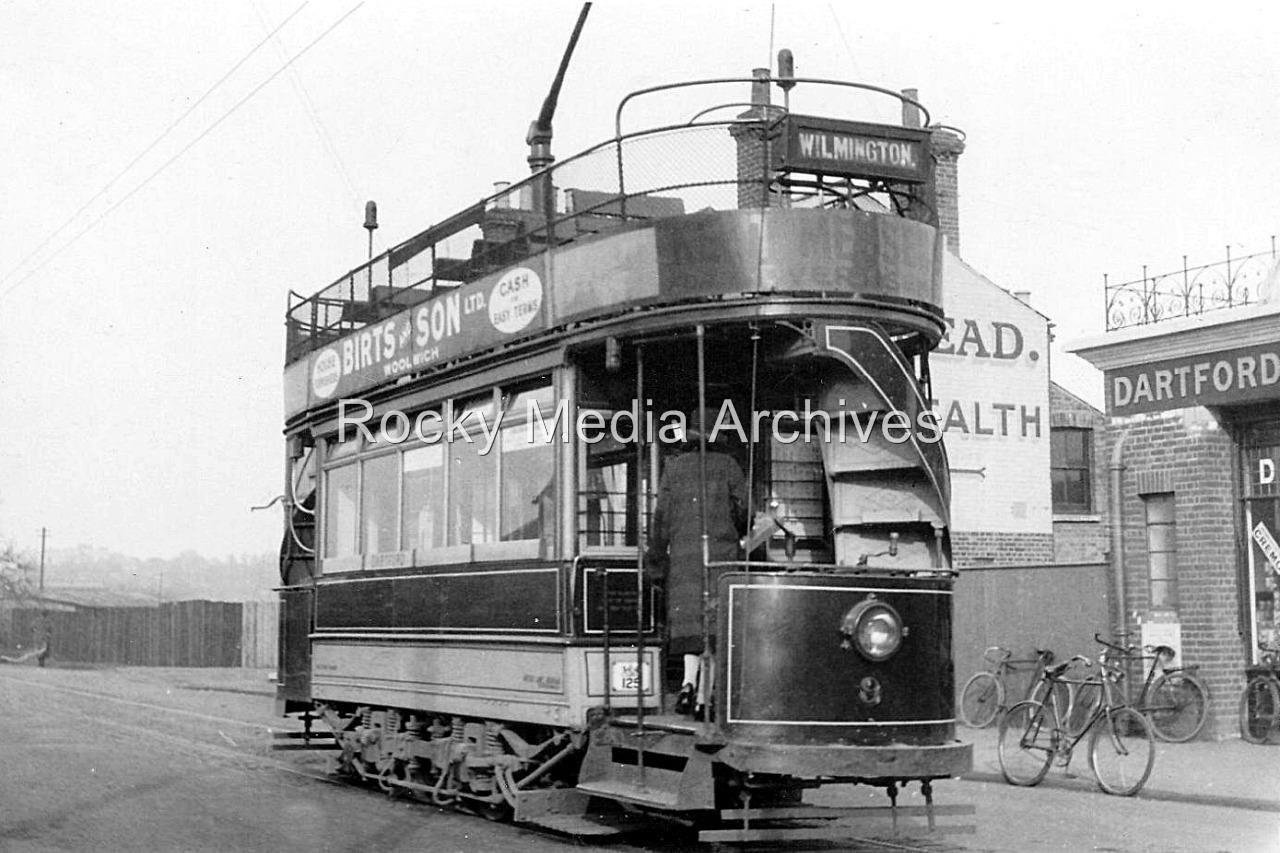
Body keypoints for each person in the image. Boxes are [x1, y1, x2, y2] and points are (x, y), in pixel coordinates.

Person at [647, 408, 747, 715]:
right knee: (714, 633)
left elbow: (660, 520)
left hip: (682, 563)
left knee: (690, 631)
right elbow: (744, 512)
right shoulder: (729, 465)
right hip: (720, 560)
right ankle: (705, 698)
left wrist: (655, 563)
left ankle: (688, 686)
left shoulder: (673, 468)